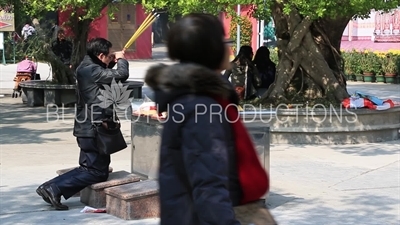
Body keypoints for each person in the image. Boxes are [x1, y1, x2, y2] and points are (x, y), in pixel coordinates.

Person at [144, 13, 269, 224]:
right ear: (210, 49)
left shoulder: (203, 97)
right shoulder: (200, 105)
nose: (229, 48)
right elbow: (208, 183)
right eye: (224, 41)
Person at [36, 38, 129, 210]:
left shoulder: (86, 67)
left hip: (87, 127)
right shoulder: (91, 70)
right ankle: (53, 188)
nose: (111, 59)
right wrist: (122, 60)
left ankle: (49, 188)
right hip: (94, 129)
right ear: (100, 56)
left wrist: (111, 62)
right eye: (109, 57)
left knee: (88, 168)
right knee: (97, 172)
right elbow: (120, 75)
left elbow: (103, 75)